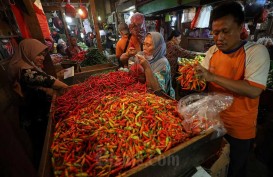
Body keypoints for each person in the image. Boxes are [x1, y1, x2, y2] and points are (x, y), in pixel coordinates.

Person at [196, 2, 270, 177]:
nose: (219, 37)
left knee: (236, 169)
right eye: (215, 32)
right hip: (212, 123)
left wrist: (212, 77)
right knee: (214, 166)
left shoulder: (256, 52)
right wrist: (195, 78)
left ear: (240, 27)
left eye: (225, 31)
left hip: (239, 129)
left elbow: (253, 89)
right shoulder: (212, 51)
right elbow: (203, 81)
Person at [8, 38, 68, 169]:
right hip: (34, 114)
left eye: (43, 55)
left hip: (36, 111)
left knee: (44, 143)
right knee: (42, 145)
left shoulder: (26, 66)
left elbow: (41, 84)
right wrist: (70, 89)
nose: (42, 58)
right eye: (39, 54)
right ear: (28, 52)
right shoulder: (25, 71)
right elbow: (48, 81)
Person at [122, 32, 175, 98]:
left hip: (159, 99)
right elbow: (122, 59)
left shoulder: (163, 63)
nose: (144, 48)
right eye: (144, 44)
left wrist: (147, 67)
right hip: (142, 95)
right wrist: (127, 54)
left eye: (148, 45)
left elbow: (157, 91)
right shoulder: (141, 55)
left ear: (158, 47)